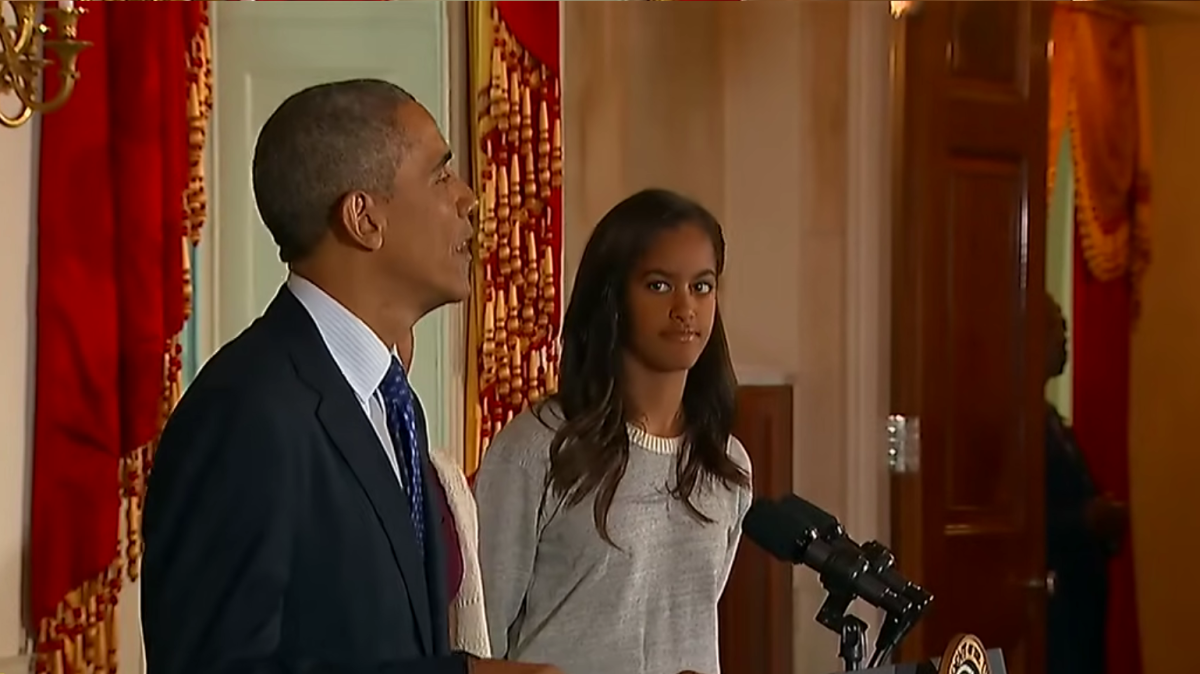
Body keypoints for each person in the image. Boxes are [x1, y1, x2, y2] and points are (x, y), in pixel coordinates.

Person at [141, 79, 558, 674]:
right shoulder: (245, 411)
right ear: (363, 218)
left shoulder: (393, 401)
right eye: (441, 176)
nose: (470, 199)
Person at [474, 189, 753, 674]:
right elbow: (479, 638)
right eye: (660, 286)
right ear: (614, 297)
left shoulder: (725, 465)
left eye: (702, 287)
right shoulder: (536, 450)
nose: (686, 308)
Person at [1044, 293, 1128, 674]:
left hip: (1082, 606)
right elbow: (1024, 524)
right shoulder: (1020, 427)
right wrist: (1085, 520)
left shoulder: (1054, 423)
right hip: (1053, 611)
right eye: (1055, 326)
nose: (1064, 335)